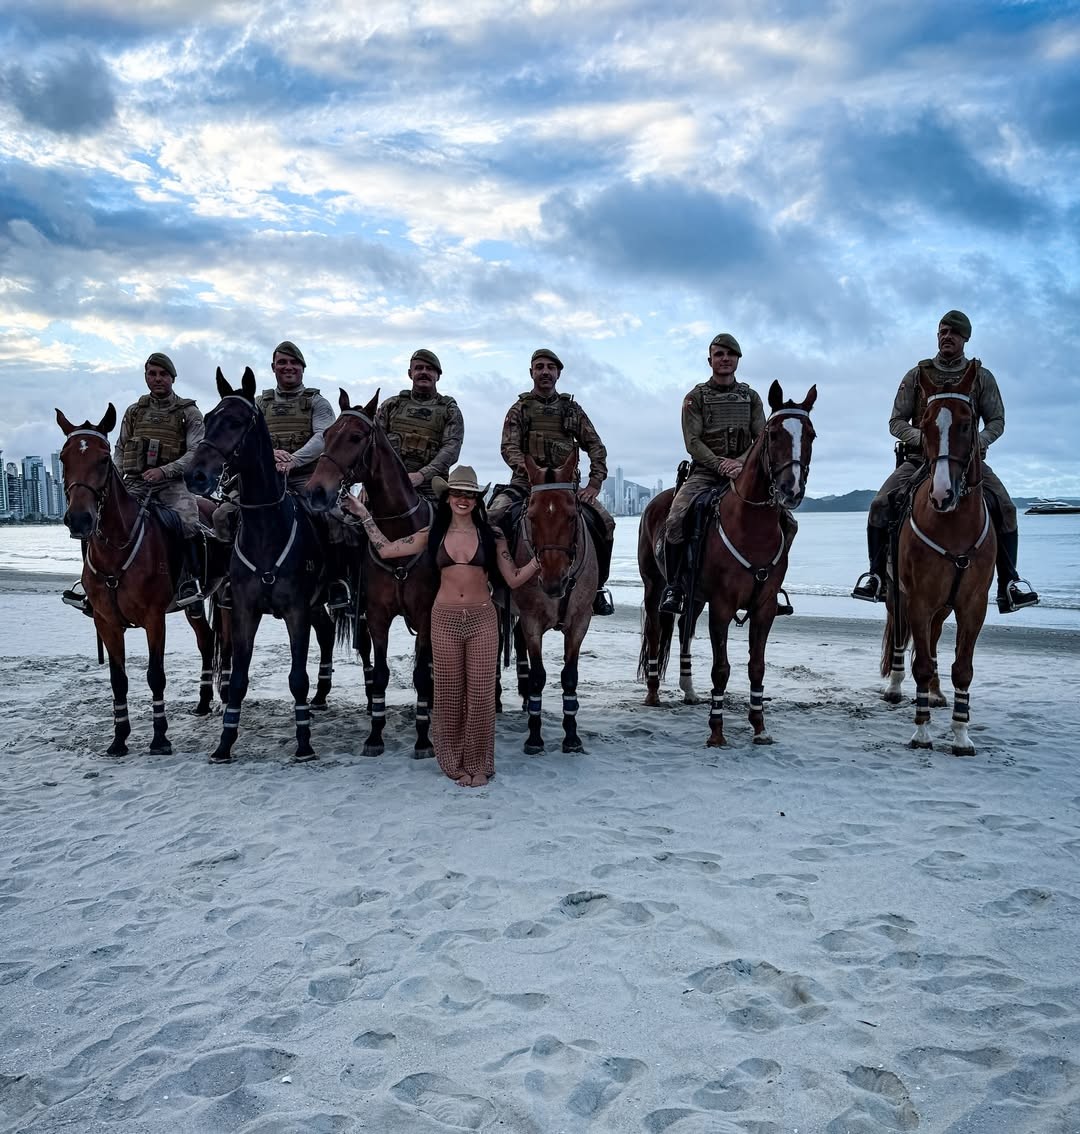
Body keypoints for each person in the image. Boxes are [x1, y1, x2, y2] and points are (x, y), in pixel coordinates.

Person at [343, 466, 540, 787]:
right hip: (444, 619)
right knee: (448, 696)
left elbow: (514, 577)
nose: (463, 499)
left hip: (482, 619)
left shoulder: (492, 535)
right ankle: (452, 762)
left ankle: (479, 763)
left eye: (470, 495)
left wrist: (539, 560)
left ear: (477, 500)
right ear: (447, 498)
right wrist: (365, 515)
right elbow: (387, 549)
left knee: (480, 696)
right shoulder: (432, 533)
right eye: (457, 493)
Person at [852, 310, 1039, 614]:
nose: (946, 337)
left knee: (1006, 507)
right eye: (942, 332)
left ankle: (1009, 582)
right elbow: (896, 421)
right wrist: (925, 439)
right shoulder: (917, 375)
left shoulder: (982, 377)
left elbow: (996, 421)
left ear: (965, 338)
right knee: (880, 504)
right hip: (920, 459)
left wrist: (978, 441)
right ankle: (876, 577)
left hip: (967, 461)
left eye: (953, 332)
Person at [659, 333, 796, 615]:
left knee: (789, 522)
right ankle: (675, 586)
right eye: (719, 354)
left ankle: (773, 585)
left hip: (745, 473)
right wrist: (720, 464)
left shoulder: (751, 397)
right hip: (705, 473)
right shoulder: (695, 398)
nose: (725, 359)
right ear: (710, 360)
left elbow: (761, 438)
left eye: (730, 354)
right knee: (675, 520)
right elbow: (692, 442)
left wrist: (741, 464)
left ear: (737, 360)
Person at [64, 352, 206, 615]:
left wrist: (164, 471)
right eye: (152, 374)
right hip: (135, 482)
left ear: (172, 378)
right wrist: (118, 479)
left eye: (163, 374)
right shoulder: (134, 411)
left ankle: (190, 584)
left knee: (189, 522)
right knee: (97, 520)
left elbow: (196, 452)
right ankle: (89, 584)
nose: (158, 379)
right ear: (146, 377)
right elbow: (119, 449)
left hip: (173, 484)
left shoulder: (189, 412)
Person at [213, 340, 351, 610]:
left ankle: (337, 581)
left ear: (302, 368)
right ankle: (230, 579)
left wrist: (293, 460)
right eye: (282, 362)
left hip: (304, 477)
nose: (288, 367)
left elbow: (323, 437)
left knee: (335, 518)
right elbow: (247, 436)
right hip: (264, 480)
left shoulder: (317, 402)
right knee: (221, 516)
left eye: (294, 363)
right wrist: (269, 455)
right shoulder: (259, 403)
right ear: (273, 367)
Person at [487, 348, 616, 616]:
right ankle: (491, 583)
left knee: (605, 522)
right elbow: (509, 447)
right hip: (526, 485)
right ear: (531, 372)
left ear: (558, 373)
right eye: (539, 367)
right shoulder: (520, 409)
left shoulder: (572, 410)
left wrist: (594, 483)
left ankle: (598, 588)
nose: (545, 371)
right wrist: (534, 473)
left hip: (566, 489)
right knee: (492, 518)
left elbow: (595, 446)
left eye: (550, 367)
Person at [374, 348, 464, 498]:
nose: (424, 372)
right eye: (419, 368)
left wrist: (422, 475)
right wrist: (368, 483)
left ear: (438, 375)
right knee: (353, 511)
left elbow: (451, 450)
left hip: (431, 486)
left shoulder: (450, 410)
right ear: (410, 373)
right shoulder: (391, 405)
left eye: (430, 369)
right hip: (388, 481)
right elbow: (374, 444)